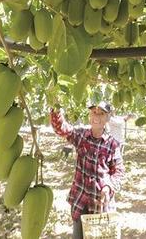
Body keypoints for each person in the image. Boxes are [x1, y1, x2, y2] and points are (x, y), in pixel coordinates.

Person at [50, 101, 125, 239]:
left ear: (107, 118)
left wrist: (108, 187)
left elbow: (119, 171)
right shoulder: (81, 136)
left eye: (101, 113)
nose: (97, 116)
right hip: (81, 199)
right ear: (89, 116)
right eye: (94, 112)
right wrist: (55, 109)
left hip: (101, 204)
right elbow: (61, 129)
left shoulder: (113, 145)